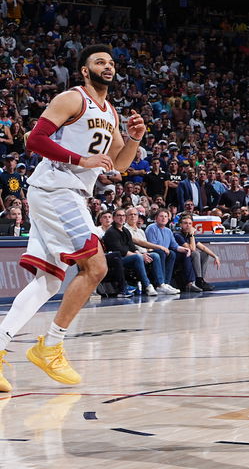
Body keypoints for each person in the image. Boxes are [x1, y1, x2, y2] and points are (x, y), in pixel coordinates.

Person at [0, 45, 145, 391]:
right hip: (57, 188)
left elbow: (119, 165)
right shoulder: (72, 98)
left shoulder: (110, 111)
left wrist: (135, 139)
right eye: (99, 61)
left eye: (111, 62)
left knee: (48, 281)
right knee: (95, 268)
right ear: (84, 70)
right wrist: (81, 161)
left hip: (69, 192)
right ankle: (51, 345)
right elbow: (34, 139)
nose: (107, 66)